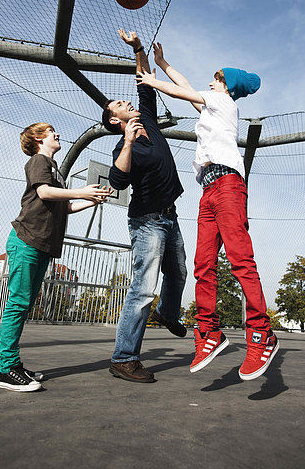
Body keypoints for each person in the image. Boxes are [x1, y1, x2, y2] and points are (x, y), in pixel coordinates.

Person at [136, 43, 279, 381]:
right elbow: (186, 89)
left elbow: (181, 92)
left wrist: (151, 80)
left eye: (216, 80)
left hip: (228, 186)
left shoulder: (223, 102)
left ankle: (262, 334)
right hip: (209, 191)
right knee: (203, 264)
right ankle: (209, 332)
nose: (210, 84)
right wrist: (163, 62)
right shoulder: (211, 107)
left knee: (241, 260)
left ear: (226, 86)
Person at [0, 122, 112, 392]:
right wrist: (83, 190)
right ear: (38, 139)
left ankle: (10, 363)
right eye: (50, 131)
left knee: (24, 305)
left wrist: (92, 199)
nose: (57, 133)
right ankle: (5, 368)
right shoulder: (39, 160)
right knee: (18, 303)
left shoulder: (55, 170)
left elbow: (64, 205)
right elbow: (44, 192)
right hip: (26, 240)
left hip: (42, 244)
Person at [102, 30, 187, 384]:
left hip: (170, 216)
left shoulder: (148, 120)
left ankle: (169, 314)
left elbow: (144, 84)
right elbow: (118, 183)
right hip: (147, 222)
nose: (127, 104)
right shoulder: (126, 148)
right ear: (113, 121)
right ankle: (124, 358)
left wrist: (138, 49)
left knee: (179, 273)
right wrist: (126, 141)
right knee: (142, 289)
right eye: (119, 107)